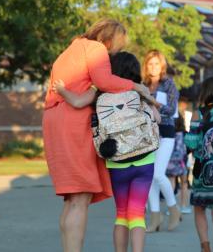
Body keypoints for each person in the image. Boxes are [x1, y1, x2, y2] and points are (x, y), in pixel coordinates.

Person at [42, 19, 149, 252]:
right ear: (110, 39)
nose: (114, 53)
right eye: (116, 46)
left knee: (72, 199)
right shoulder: (95, 49)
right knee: (80, 198)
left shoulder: (72, 48)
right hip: (73, 123)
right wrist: (136, 86)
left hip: (54, 119)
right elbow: (104, 81)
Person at [142, 50, 181, 232]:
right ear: (146, 65)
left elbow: (172, 109)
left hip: (166, 133)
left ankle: (174, 210)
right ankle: (155, 218)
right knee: (150, 177)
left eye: (157, 64)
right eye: (150, 64)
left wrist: (153, 103)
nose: (153, 67)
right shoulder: (142, 86)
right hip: (148, 135)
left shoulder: (169, 84)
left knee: (158, 174)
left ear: (162, 65)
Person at [190, 75, 213, 252]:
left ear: (206, 91)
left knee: (199, 209)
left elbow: (191, 143)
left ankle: (206, 248)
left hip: (201, 171)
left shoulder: (199, 113)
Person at [166, 114, 191, 214]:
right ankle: (183, 206)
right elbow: (187, 147)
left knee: (171, 183)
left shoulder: (168, 132)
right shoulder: (184, 133)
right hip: (181, 162)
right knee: (184, 183)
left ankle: (171, 208)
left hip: (169, 161)